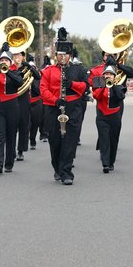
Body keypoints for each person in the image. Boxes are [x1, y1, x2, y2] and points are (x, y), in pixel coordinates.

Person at [40, 28, 89, 185]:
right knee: (55, 141)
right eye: (60, 54)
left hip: (73, 107)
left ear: (70, 55)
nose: (63, 57)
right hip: (54, 108)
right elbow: (43, 89)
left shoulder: (78, 69)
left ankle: (66, 172)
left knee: (70, 141)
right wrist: (55, 100)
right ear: (56, 56)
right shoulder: (48, 71)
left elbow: (85, 86)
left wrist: (72, 84)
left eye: (65, 54)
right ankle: (57, 168)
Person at [0, 43, 23, 174]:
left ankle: (9, 162)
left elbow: (19, 82)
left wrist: (8, 71)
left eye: (6, 60)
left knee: (11, 135)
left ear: (10, 61)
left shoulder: (15, 71)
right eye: (1, 60)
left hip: (12, 105)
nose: (3, 62)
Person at [92, 65, 125, 173]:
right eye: (106, 74)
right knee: (104, 138)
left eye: (110, 74)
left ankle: (111, 162)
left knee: (113, 139)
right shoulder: (98, 84)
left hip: (115, 115)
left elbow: (121, 96)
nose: (108, 76)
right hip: (102, 116)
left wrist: (113, 85)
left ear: (114, 76)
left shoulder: (119, 85)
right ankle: (105, 163)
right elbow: (96, 96)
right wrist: (103, 86)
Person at [26, 54, 42, 150]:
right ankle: (25, 140)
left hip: (36, 102)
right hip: (26, 102)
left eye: (32, 68)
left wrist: (31, 82)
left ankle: (32, 139)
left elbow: (38, 90)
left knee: (35, 122)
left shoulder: (38, 77)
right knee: (26, 123)